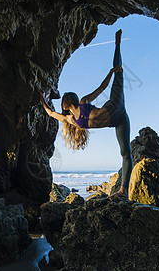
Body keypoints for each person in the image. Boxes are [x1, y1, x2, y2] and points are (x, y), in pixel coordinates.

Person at [40, 29, 133, 198]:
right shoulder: (70, 119)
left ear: (68, 102)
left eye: (64, 99)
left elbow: (101, 88)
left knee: (118, 71)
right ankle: (122, 192)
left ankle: (117, 43)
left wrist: (110, 73)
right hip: (118, 121)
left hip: (115, 104)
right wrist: (43, 99)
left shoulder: (83, 102)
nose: (63, 102)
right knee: (125, 153)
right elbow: (51, 113)